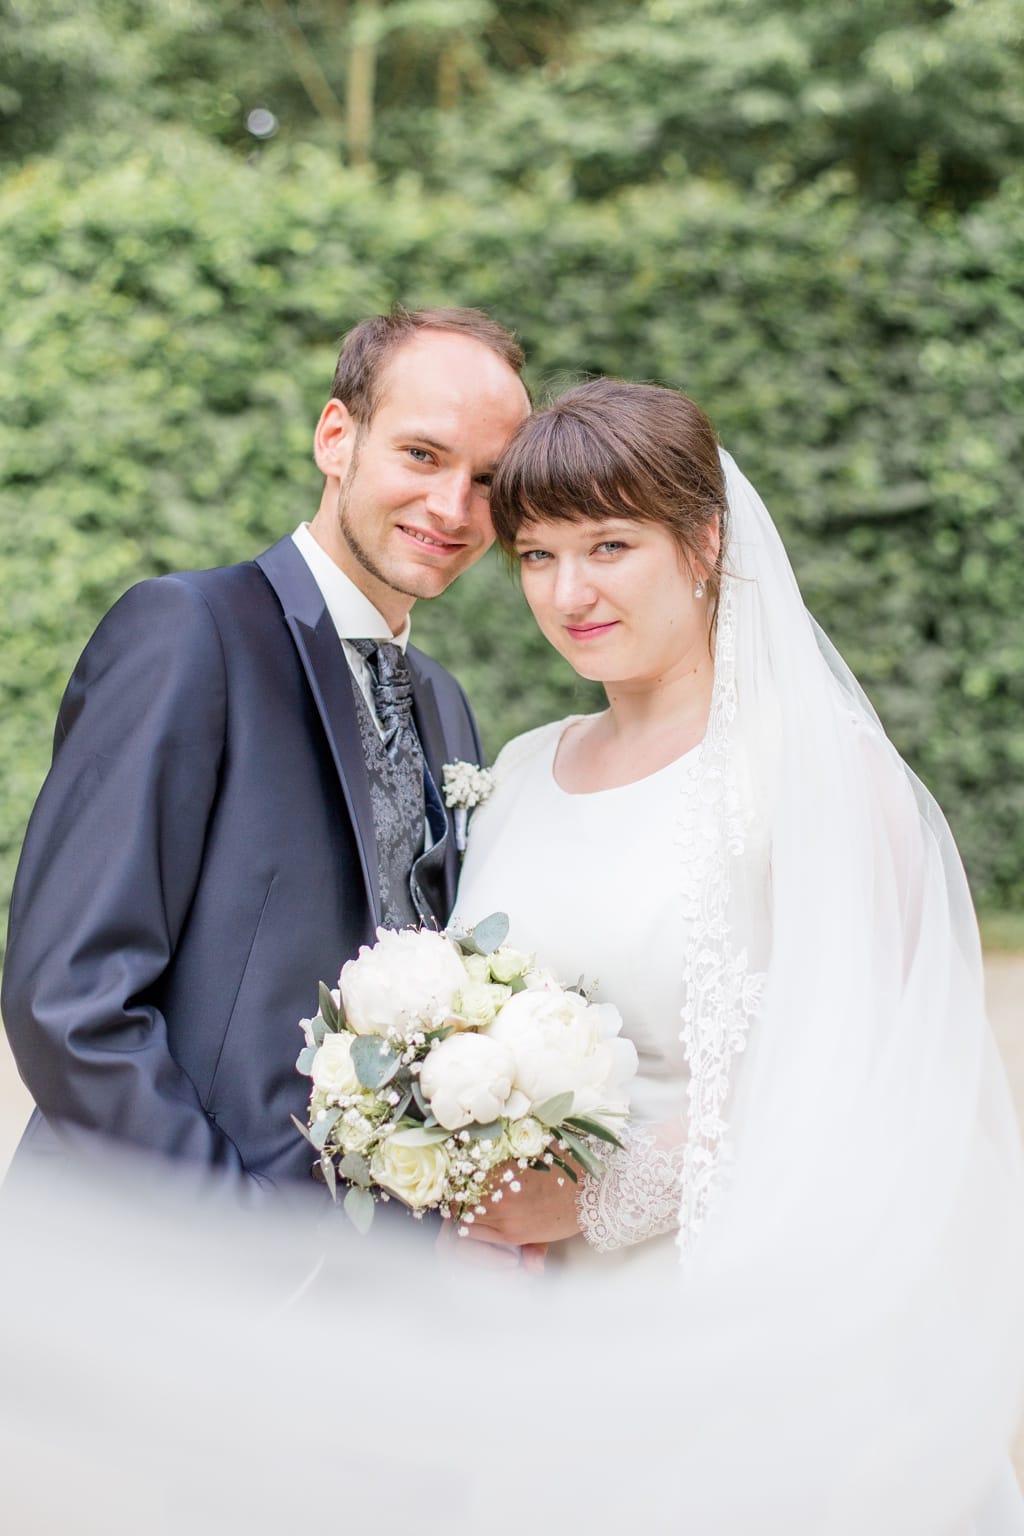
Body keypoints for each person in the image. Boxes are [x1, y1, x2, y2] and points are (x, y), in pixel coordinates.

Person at [450, 379, 1024, 1527]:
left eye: (610, 545)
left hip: (733, 1338)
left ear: (704, 541)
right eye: (537, 555)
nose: (569, 593)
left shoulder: (816, 782)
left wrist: (589, 1203)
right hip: (525, 1343)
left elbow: (880, 1092)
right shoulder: (515, 774)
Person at [1, 305, 530, 1199]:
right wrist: (249, 1241)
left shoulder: (443, 703)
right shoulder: (190, 632)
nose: (452, 507)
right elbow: (70, 1000)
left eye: (488, 480)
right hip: (154, 1263)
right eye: (422, 455)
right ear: (337, 437)